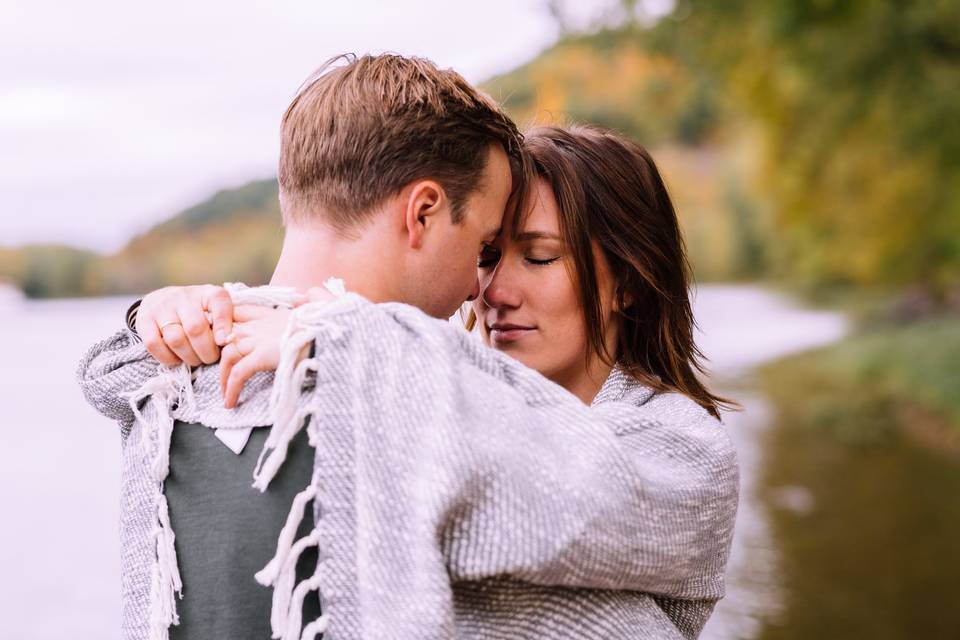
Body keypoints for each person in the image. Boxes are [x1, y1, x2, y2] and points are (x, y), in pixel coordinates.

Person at [89, 124, 739, 638]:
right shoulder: (420, 391)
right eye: (486, 256)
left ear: (625, 280)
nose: (495, 292)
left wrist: (346, 338)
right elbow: (116, 379)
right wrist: (177, 317)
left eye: (539, 257)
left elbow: (551, 490)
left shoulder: (685, 454)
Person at [78, 52, 524, 640]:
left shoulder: (160, 373)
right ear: (422, 213)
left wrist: (149, 317)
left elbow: (102, 372)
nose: (478, 285)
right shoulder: (431, 396)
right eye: (485, 246)